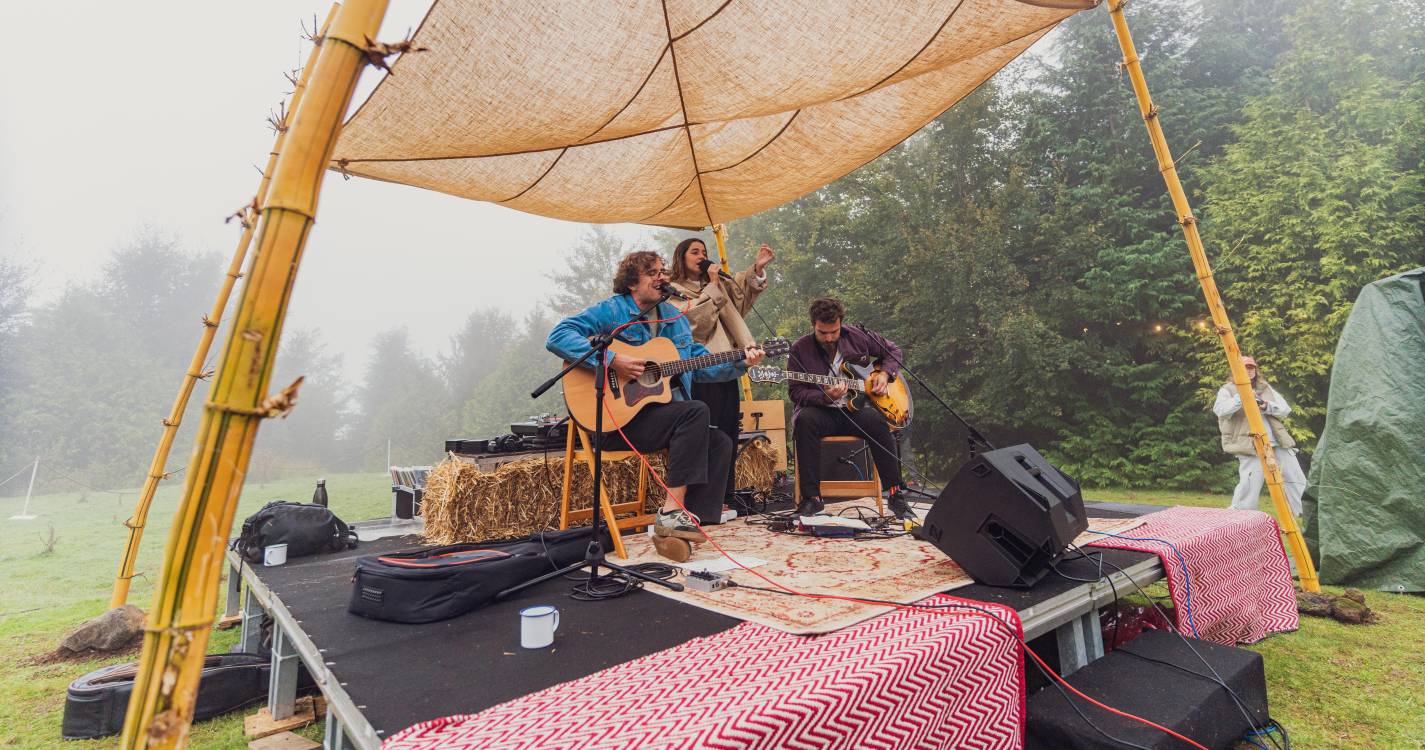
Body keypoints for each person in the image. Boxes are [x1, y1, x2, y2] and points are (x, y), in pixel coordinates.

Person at [545, 251, 766, 545]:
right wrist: (613, 361)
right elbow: (558, 336)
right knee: (695, 411)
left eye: (662, 271)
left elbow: (701, 366)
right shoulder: (612, 311)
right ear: (632, 283)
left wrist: (741, 362)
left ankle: (688, 527)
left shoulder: (675, 320)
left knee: (720, 442)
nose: (661, 277)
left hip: (656, 419)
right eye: (652, 273)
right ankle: (671, 512)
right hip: (614, 422)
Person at [666, 237, 774, 501]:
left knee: (728, 434)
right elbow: (694, 324)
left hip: (728, 368)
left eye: (704, 252)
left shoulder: (716, 287)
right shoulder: (673, 293)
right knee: (705, 437)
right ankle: (700, 499)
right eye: (694, 252)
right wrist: (713, 288)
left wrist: (757, 269)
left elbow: (740, 304)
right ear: (681, 257)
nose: (702, 256)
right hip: (699, 370)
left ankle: (725, 496)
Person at [786, 297, 911, 519]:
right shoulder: (799, 349)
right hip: (822, 412)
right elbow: (796, 393)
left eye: (834, 331)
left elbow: (893, 351)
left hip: (856, 410)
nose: (828, 337)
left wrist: (884, 374)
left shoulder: (858, 336)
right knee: (804, 421)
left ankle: (896, 496)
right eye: (822, 332)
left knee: (877, 422)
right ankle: (811, 499)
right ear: (813, 324)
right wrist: (825, 396)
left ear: (841, 323)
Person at [1213, 355, 1306, 515]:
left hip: (1276, 441)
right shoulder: (1227, 389)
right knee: (1250, 482)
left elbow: (1285, 410)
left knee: (1295, 478)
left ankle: (1306, 513)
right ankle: (1240, 516)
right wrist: (1241, 397)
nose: (1249, 371)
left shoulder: (1265, 388)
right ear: (1236, 370)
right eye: (1245, 368)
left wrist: (1265, 405)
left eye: (1251, 368)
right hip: (1250, 443)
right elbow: (1220, 411)